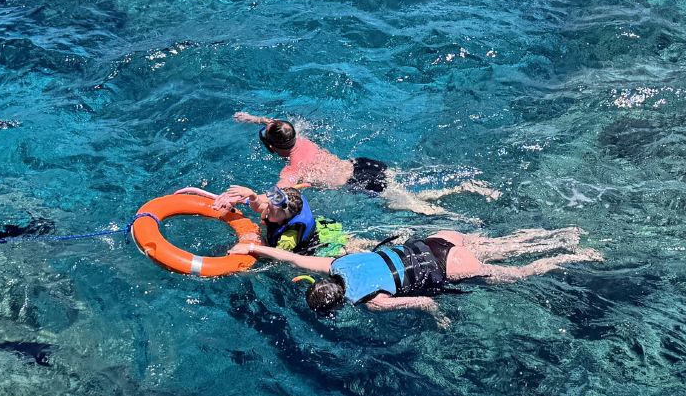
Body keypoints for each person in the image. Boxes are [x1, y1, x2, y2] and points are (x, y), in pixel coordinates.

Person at [233, 228, 599, 325]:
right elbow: (289, 257)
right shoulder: (336, 264)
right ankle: (557, 237)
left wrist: (438, 318)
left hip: (448, 268)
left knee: (515, 274)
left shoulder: (372, 302)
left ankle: (573, 256)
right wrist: (252, 249)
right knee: (504, 246)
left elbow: (424, 299)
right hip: (438, 240)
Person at [232, 111, 497, 217]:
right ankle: (466, 187)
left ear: (273, 147)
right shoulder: (300, 138)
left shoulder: (292, 169)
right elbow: (275, 123)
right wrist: (253, 119)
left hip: (360, 183)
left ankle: (460, 213)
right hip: (364, 165)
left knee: (411, 204)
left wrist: (244, 198)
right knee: (406, 188)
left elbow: (276, 198)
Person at [177, 184, 355, 256]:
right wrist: (252, 196)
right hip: (320, 227)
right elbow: (260, 206)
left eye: (271, 209)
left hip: (322, 245)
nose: (266, 209)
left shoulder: (288, 238)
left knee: (351, 249)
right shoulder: (275, 211)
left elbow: (275, 257)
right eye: (269, 205)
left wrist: (254, 246)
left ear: (286, 218)